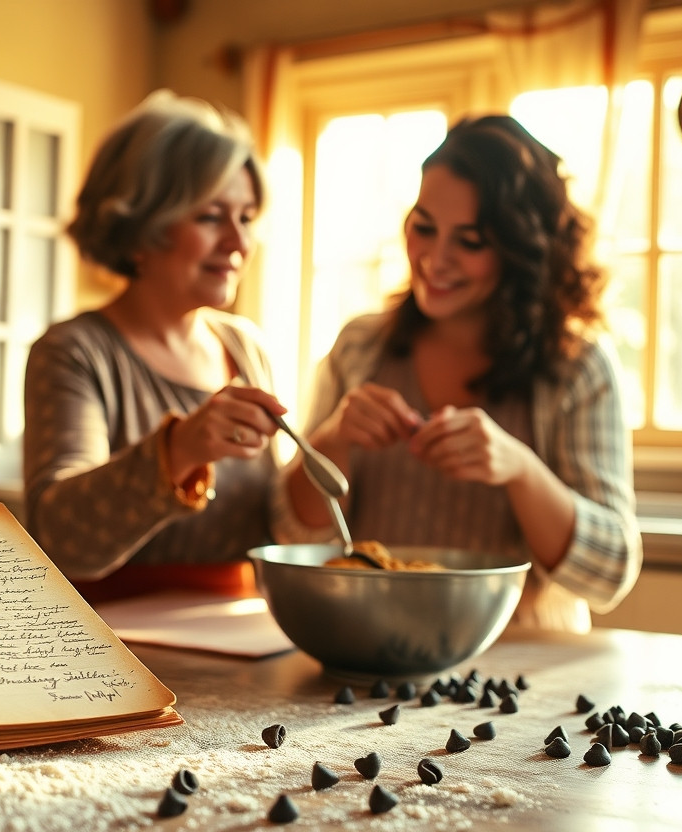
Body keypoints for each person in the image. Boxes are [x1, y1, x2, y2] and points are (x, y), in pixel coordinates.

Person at [271, 114, 641, 632]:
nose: (434, 260)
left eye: (469, 241)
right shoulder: (360, 346)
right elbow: (292, 539)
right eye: (424, 227)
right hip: (373, 649)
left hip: (526, 675)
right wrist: (332, 440)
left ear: (520, 252)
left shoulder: (577, 368)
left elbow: (609, 574)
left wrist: (521, 468)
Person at [23, 91, 287, 603]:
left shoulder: (245, 347)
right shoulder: (75, 352)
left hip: (243, 638)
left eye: (247, 217)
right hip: (109, 649)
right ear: (143, 224)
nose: (238, 243)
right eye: (212, 216)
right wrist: (180, 448)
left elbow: (274, 524)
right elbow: (59, 537)